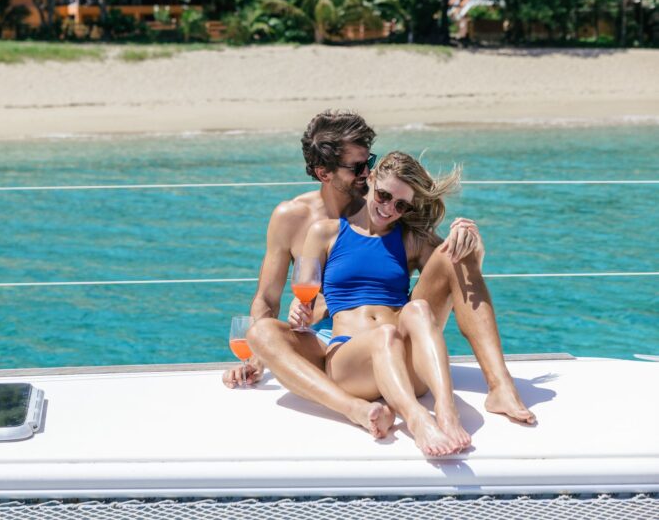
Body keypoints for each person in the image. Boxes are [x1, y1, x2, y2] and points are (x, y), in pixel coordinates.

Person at [222, 110, 534, 437]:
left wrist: (472, 244)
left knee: (452, 257)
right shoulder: (300, 220)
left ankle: (500, 385)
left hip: (397, 331)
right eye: (357, 167)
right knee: (262, 333)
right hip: (333, 343)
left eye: (368, 162)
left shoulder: (390, 205)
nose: (366, 172)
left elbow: (454, 267)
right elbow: (269, 298)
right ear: (323, 172)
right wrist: (256, 360)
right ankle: (355, 408)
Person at [292, 151, 472, 455]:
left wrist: (467, 239)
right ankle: (416, 418)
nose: (389, 208)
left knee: (418, 308)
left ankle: (446, 409)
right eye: (384, 195)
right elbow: (304, 297)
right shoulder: (324, 233)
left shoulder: (410, 240)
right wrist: (300, 310)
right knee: (385, 334)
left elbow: (454, 270)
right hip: (350, 362)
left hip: (402, 362)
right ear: (371, 178)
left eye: (401, 205)